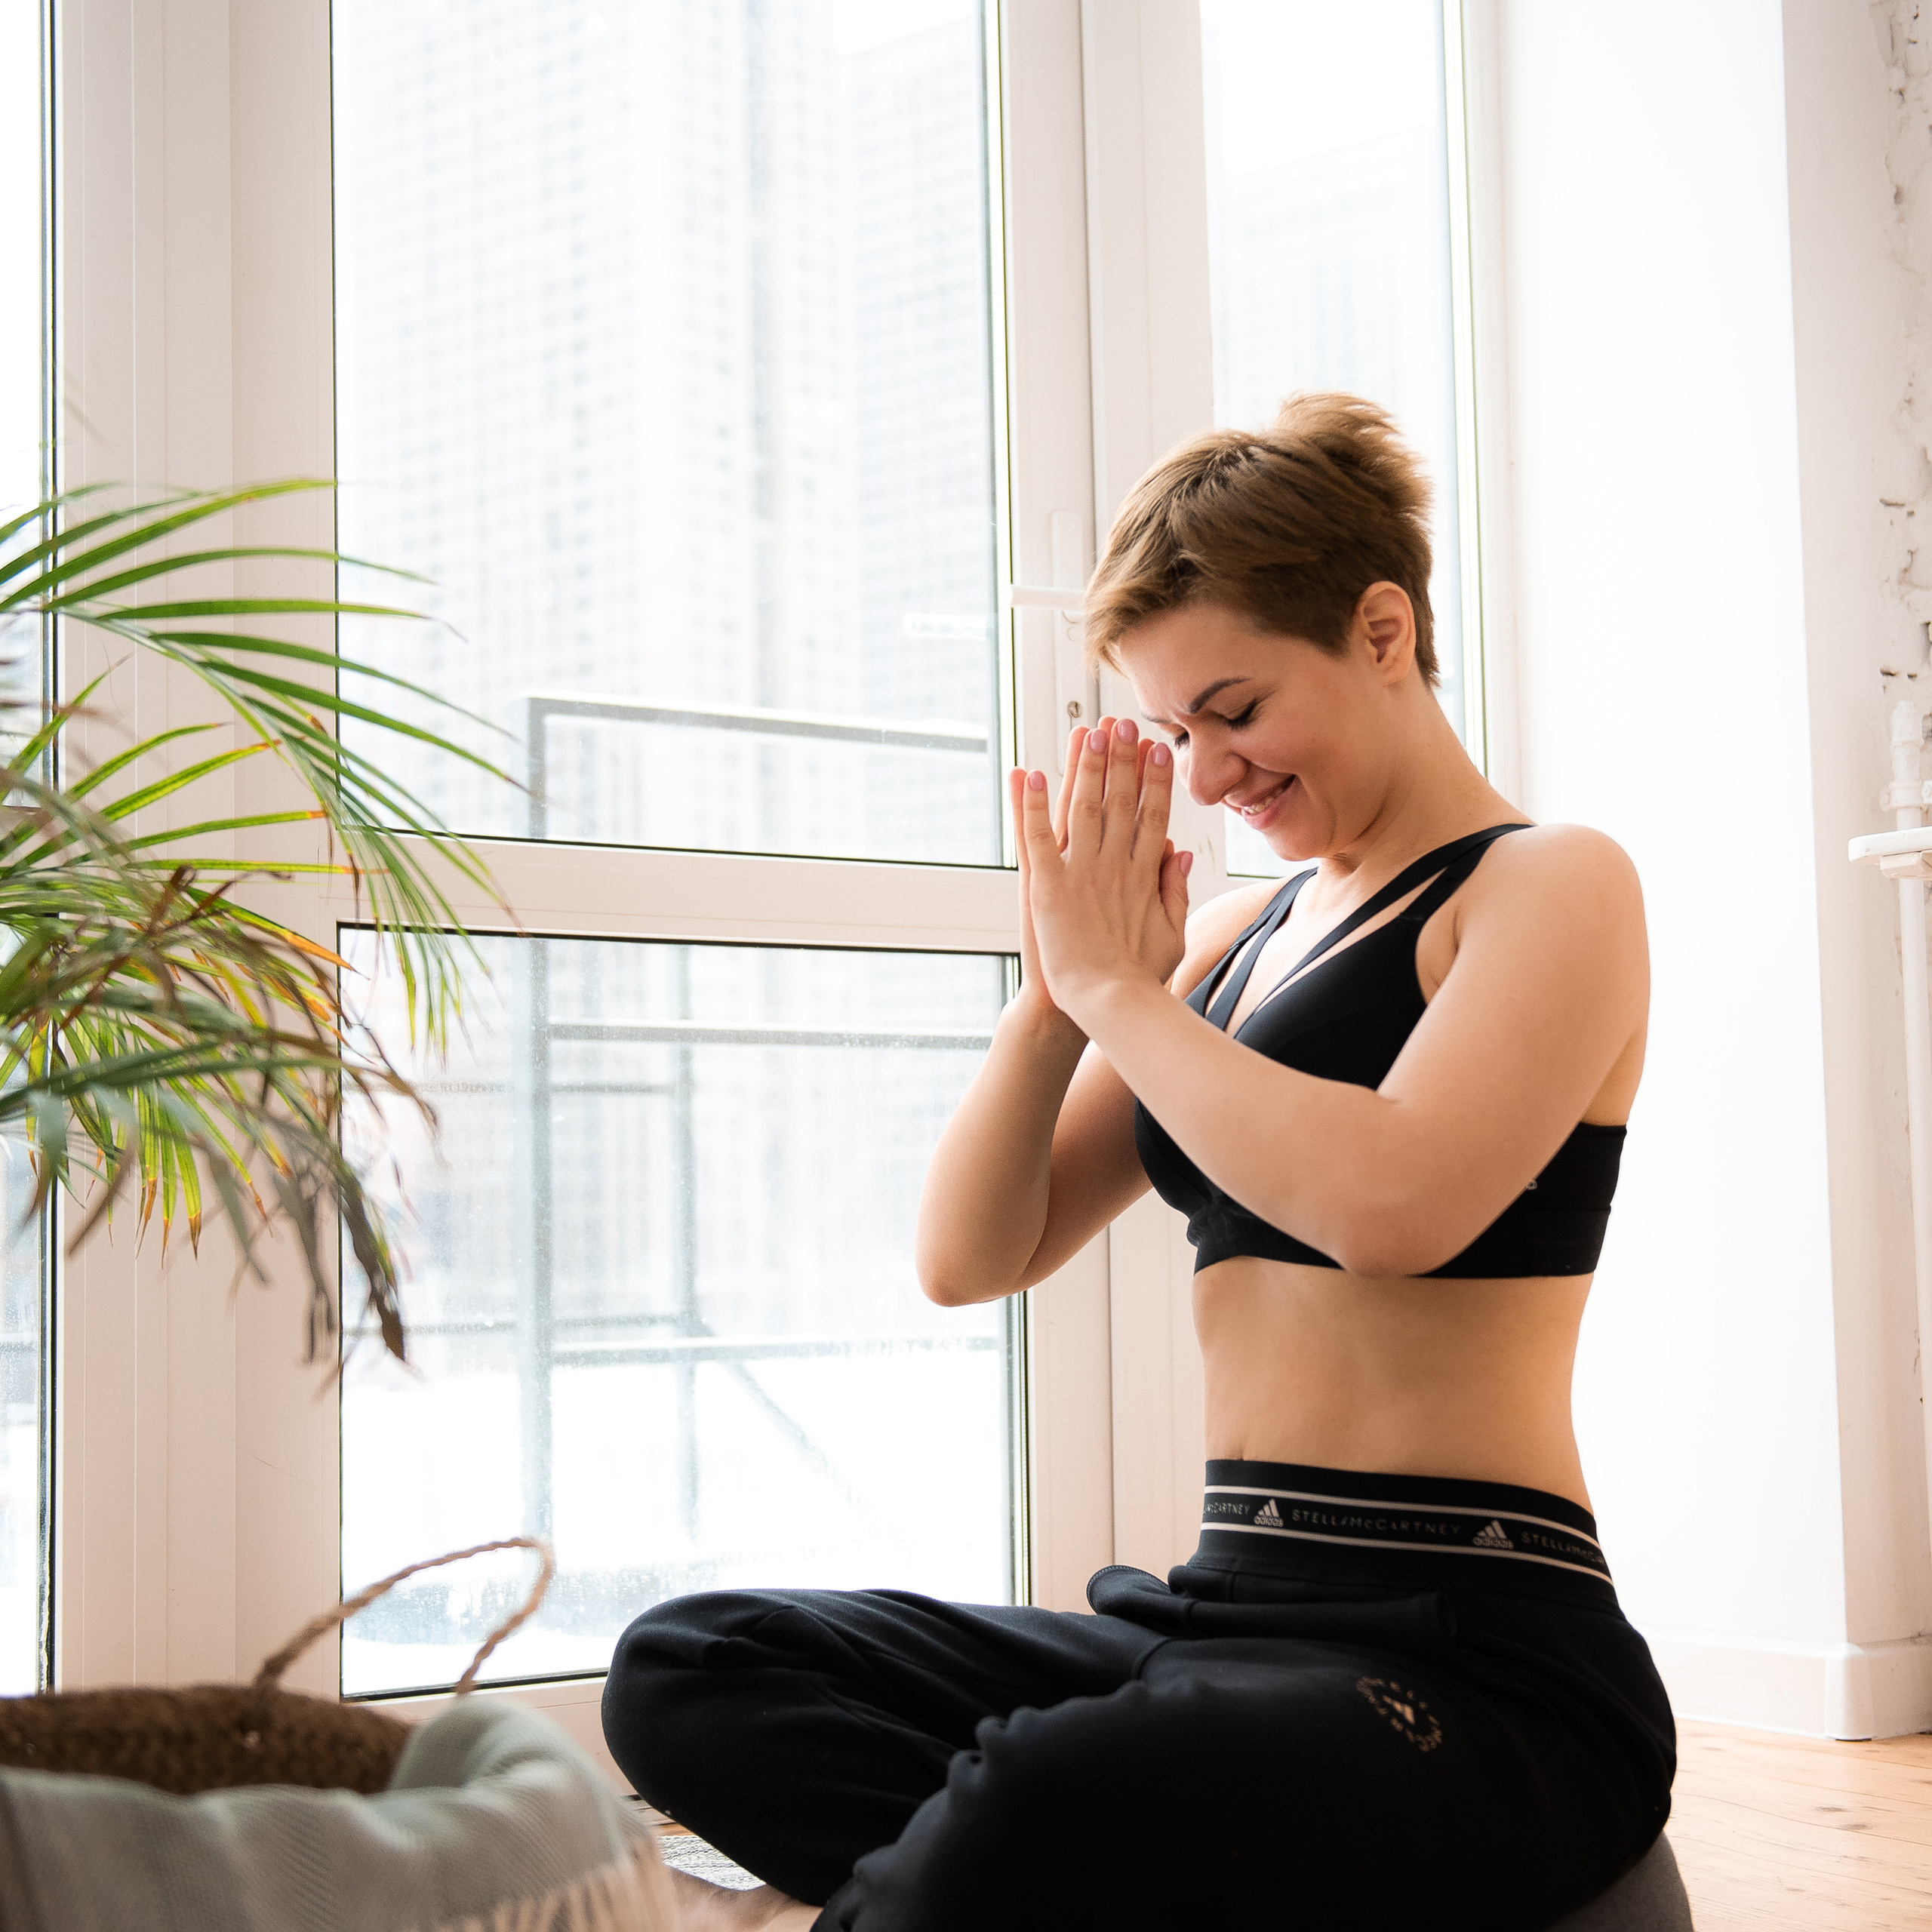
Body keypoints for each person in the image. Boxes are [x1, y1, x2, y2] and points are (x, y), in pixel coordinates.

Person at [602, 393, 1675, 1932]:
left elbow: (1393, 1204)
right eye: (1175, 732)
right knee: (692, 1663)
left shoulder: (1543, 882)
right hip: (1219, 1616)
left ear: (1381, 629)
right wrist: (1054, 995)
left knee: (1048, 1787)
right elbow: (974, 1252)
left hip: (1471, 1654)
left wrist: (1121, 993)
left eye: (1233, 708)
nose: (1209, 772)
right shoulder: (1239, 940)